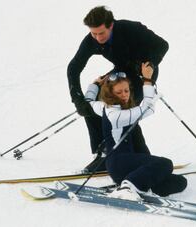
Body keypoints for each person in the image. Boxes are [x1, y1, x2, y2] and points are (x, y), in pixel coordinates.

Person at [67, 5, 169, 171]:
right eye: (94, 33)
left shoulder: (131, 29)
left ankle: (142, 157)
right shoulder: (91, 39)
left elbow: (162, 45)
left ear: (111, 25)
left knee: (124, 111)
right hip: (122, 71)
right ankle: (103, 155)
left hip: (143, 73)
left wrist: (150, 63)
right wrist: (77, 99)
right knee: (92, 105)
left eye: (101, 33)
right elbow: (73, 67)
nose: (97, 37)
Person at [83, 62, 187, 200]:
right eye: (119, 92)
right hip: (119, 163)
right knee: (165, 164)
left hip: (129, 163)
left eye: (126, 90)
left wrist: (95, 84)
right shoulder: (115, 115)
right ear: (110, 93)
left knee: (180, 182)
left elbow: (88, 101)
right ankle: (128, 187)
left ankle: (140, 186)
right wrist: (148, 80)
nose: (124, 95)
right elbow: (148, 109)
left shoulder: (103, 106)